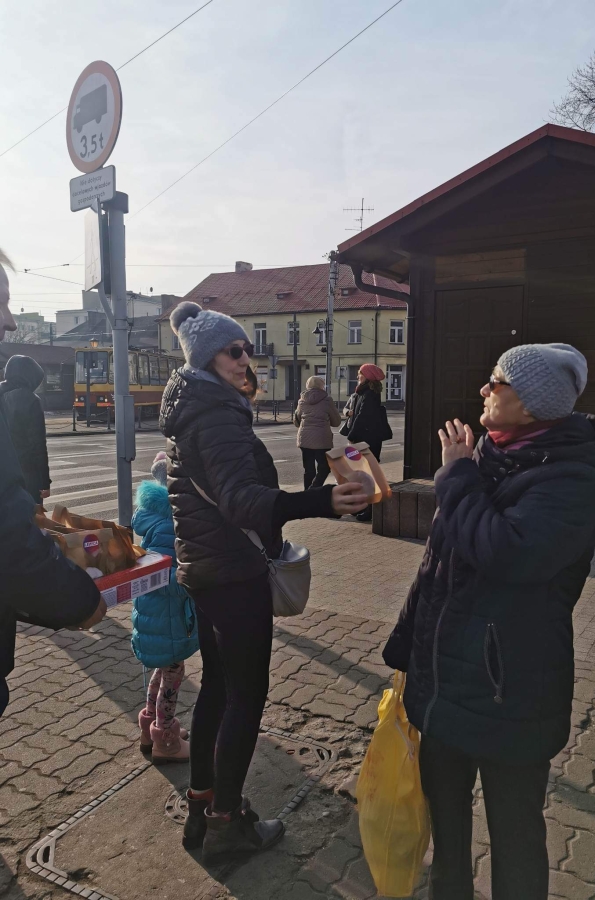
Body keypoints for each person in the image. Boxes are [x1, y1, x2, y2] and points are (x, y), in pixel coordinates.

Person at [383, 343, 595, 900]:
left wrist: (456, 476)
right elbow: (438, 563)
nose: (484, 390)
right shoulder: (489, 452)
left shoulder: (571, 477)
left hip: (508, 690)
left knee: (516, 839)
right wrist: (406, 645)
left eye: (497, 382)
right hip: (445, 682)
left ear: (531, 405)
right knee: (447, 833)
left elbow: (508, 553)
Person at [159, 301, 368, 861]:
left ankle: (202, 810)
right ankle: (226, 824)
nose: (244, 358)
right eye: (233, 350)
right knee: (244, 698)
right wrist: (323, 501)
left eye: (247, 349)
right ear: (207, 357)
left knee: (217, 690)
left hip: (204, 571)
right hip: (232, 574)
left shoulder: (192, 407)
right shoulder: (217, 414)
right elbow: (240, 501)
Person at [0, 250, 106, 716]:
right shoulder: (30, 402)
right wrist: (78, 599)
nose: (9, 321)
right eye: (1, 303)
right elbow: (10, 542)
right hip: (21, 484)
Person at [132, 451, 199, 764]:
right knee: (173, 674)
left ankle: (150, 728)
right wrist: (190, 576)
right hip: (167, 616)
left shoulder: (153, 519)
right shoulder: (169, 525)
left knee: (162, 670)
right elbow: (162, 576)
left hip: (156, 615)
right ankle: (166, 740)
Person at [0, 355, 51, 503]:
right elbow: (38, 445)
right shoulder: (30, 400)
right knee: (30, 513)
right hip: (26, 472)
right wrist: (44, 482)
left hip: (3, 470)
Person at [346, 364, 391, 521]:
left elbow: (362, 416)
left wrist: (352, 435)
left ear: (367, 377)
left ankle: (369, 509)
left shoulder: (369, 394)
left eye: (360, 374)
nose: (357, 376)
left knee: (368, 476)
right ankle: (362, 506)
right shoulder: (364, 392)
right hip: (368, 439)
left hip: (368, 440)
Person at [294, 376, 341, 489]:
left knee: (308, 469)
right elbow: (336, 422)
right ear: (322, 386)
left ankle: (307, 494)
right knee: (324, 467)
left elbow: (296, 422)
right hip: (322, 439)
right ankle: (314, 489)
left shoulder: (302, 400)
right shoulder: (327, 400)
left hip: (304, 438)